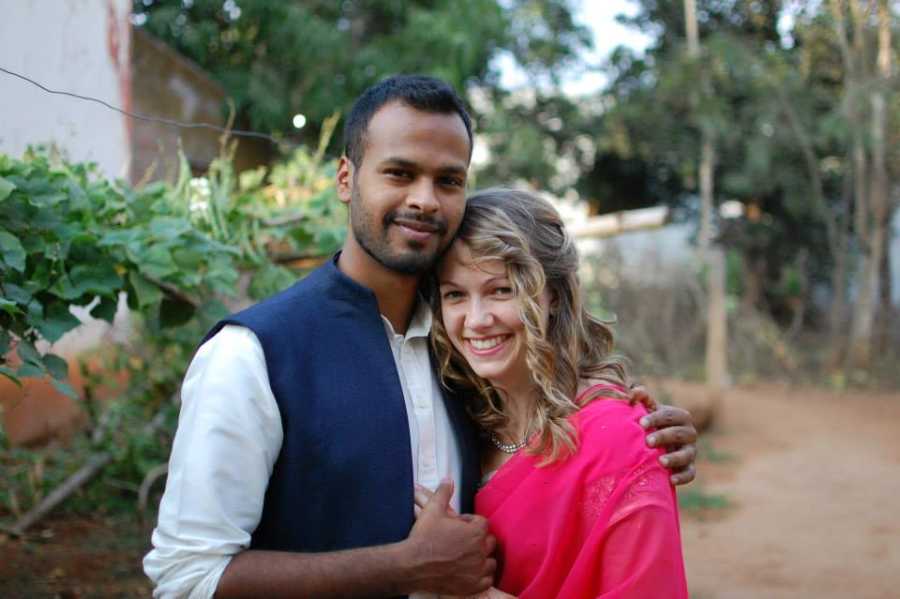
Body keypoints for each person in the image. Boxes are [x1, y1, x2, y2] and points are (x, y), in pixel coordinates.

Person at [144, 75, 697, 599]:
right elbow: (188, 575)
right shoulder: (253, 355)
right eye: (399, 173)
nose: (426, 200)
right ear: (346, 178)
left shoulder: (461, 354)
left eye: (448, 180)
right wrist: (406, 567)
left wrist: (641, 438)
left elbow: (551, 436)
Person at [420, 188, 689, 598]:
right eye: (455, 294)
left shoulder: (622, 442)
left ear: (555, 297)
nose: (476, 320)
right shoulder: (455, 413)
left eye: (502, 290)